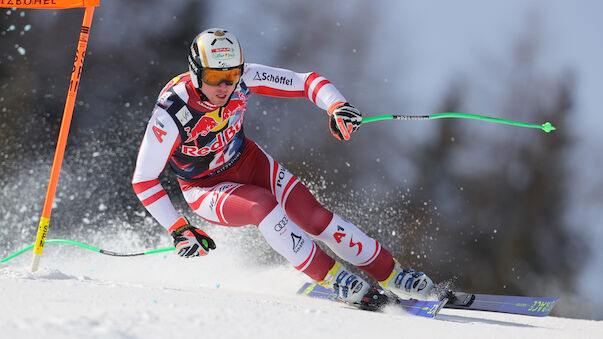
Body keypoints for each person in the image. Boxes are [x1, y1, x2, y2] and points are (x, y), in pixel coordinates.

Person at [132, 28, 435, 309]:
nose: (224, 86)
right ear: (196, 72)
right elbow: (144, 179)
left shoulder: (245, 79)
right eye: (213, 77)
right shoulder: (173, 110)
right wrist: (179, 229)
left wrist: (337, 106)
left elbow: (307, 81)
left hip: (249, 162)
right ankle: (334, 279)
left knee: (317, 219)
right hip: (205, 188)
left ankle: (395, 276)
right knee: (263, 206)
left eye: (232, 75)